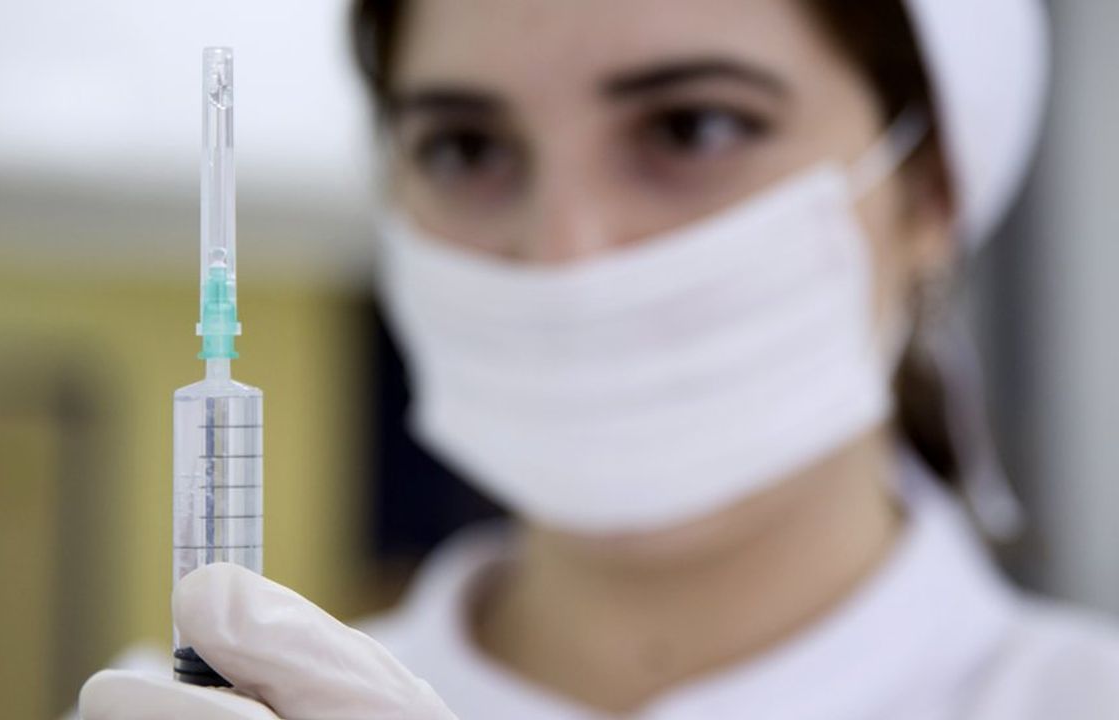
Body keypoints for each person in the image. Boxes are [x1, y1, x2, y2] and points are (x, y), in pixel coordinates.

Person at [80, 1, 1119, 718]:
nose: (566, 255)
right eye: (464, 147)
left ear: (929, 189)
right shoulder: (202, 701)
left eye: (692, 127)